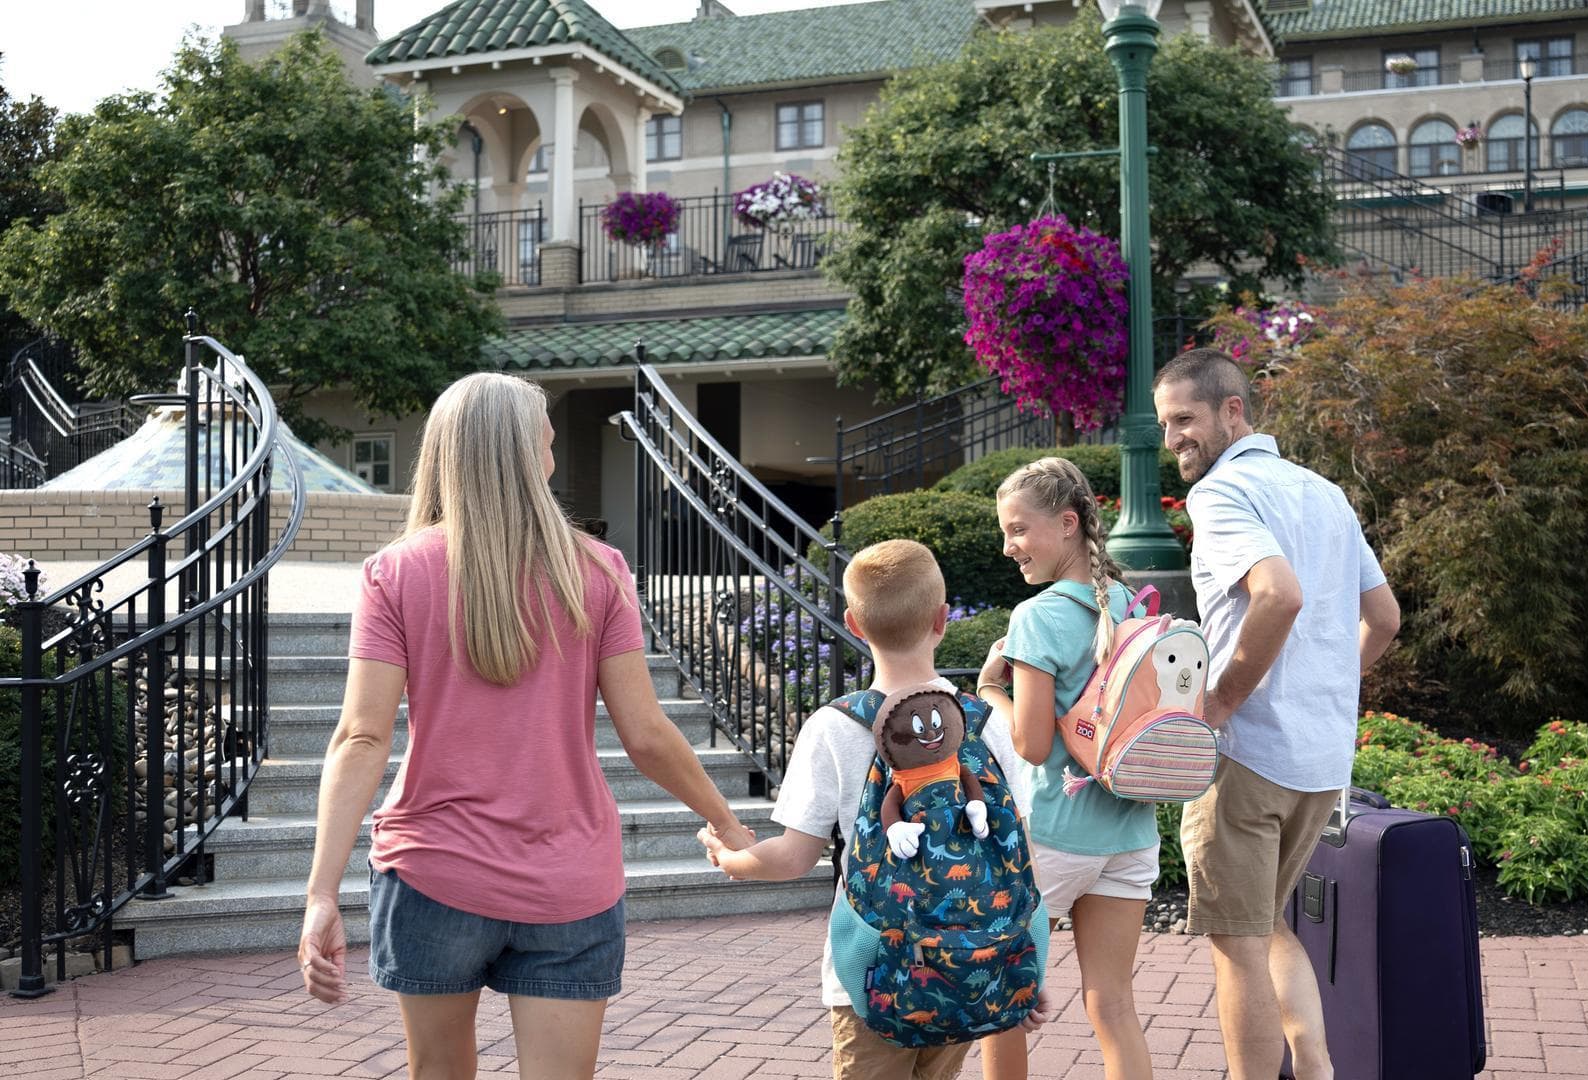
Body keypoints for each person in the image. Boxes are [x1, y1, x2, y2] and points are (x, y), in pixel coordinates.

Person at [298, 372, 757, 1080]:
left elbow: (361, 737)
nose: (551, 448)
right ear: (526, 453)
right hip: (568, 879)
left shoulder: (395, 572)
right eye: (544, 436)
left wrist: (321, 894)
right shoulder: (598, 571)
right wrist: (726, 823)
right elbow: (646, 733)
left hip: (432, 873)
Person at [697, 538, 1050, 1080]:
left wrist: (731, 858)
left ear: (853, 625)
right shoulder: (980, 722)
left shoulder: (833, 727)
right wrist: (1022, 966)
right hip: (971, 968)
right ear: (942, 619)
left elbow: (792, 858)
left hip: (870, 973)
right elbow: (1016, 854)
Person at [1152, 347, 1402, 1080]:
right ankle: (1318, 1073)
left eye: (1185, 419)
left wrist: (1222, 700)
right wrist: (1320, 685)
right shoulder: (1323, 491)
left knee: (1235, 944)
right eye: (1166, 423)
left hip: (1247, 756)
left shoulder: (1221, 492)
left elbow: (1278, 593)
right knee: (1267, 928)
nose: (1172, 440)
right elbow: (1383, 619)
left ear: (1234, 411)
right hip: (1321, 761)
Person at [975, 457, 1159, 1080]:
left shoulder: (1038, 617)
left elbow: (1029, 744)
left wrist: (988, 691)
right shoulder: (1133, 604)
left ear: (1068, 523)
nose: (1009, 547)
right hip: (1130, 833)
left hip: (1054, 833)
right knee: (1113, 1002)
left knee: (1004, 998)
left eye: (1019, 530)